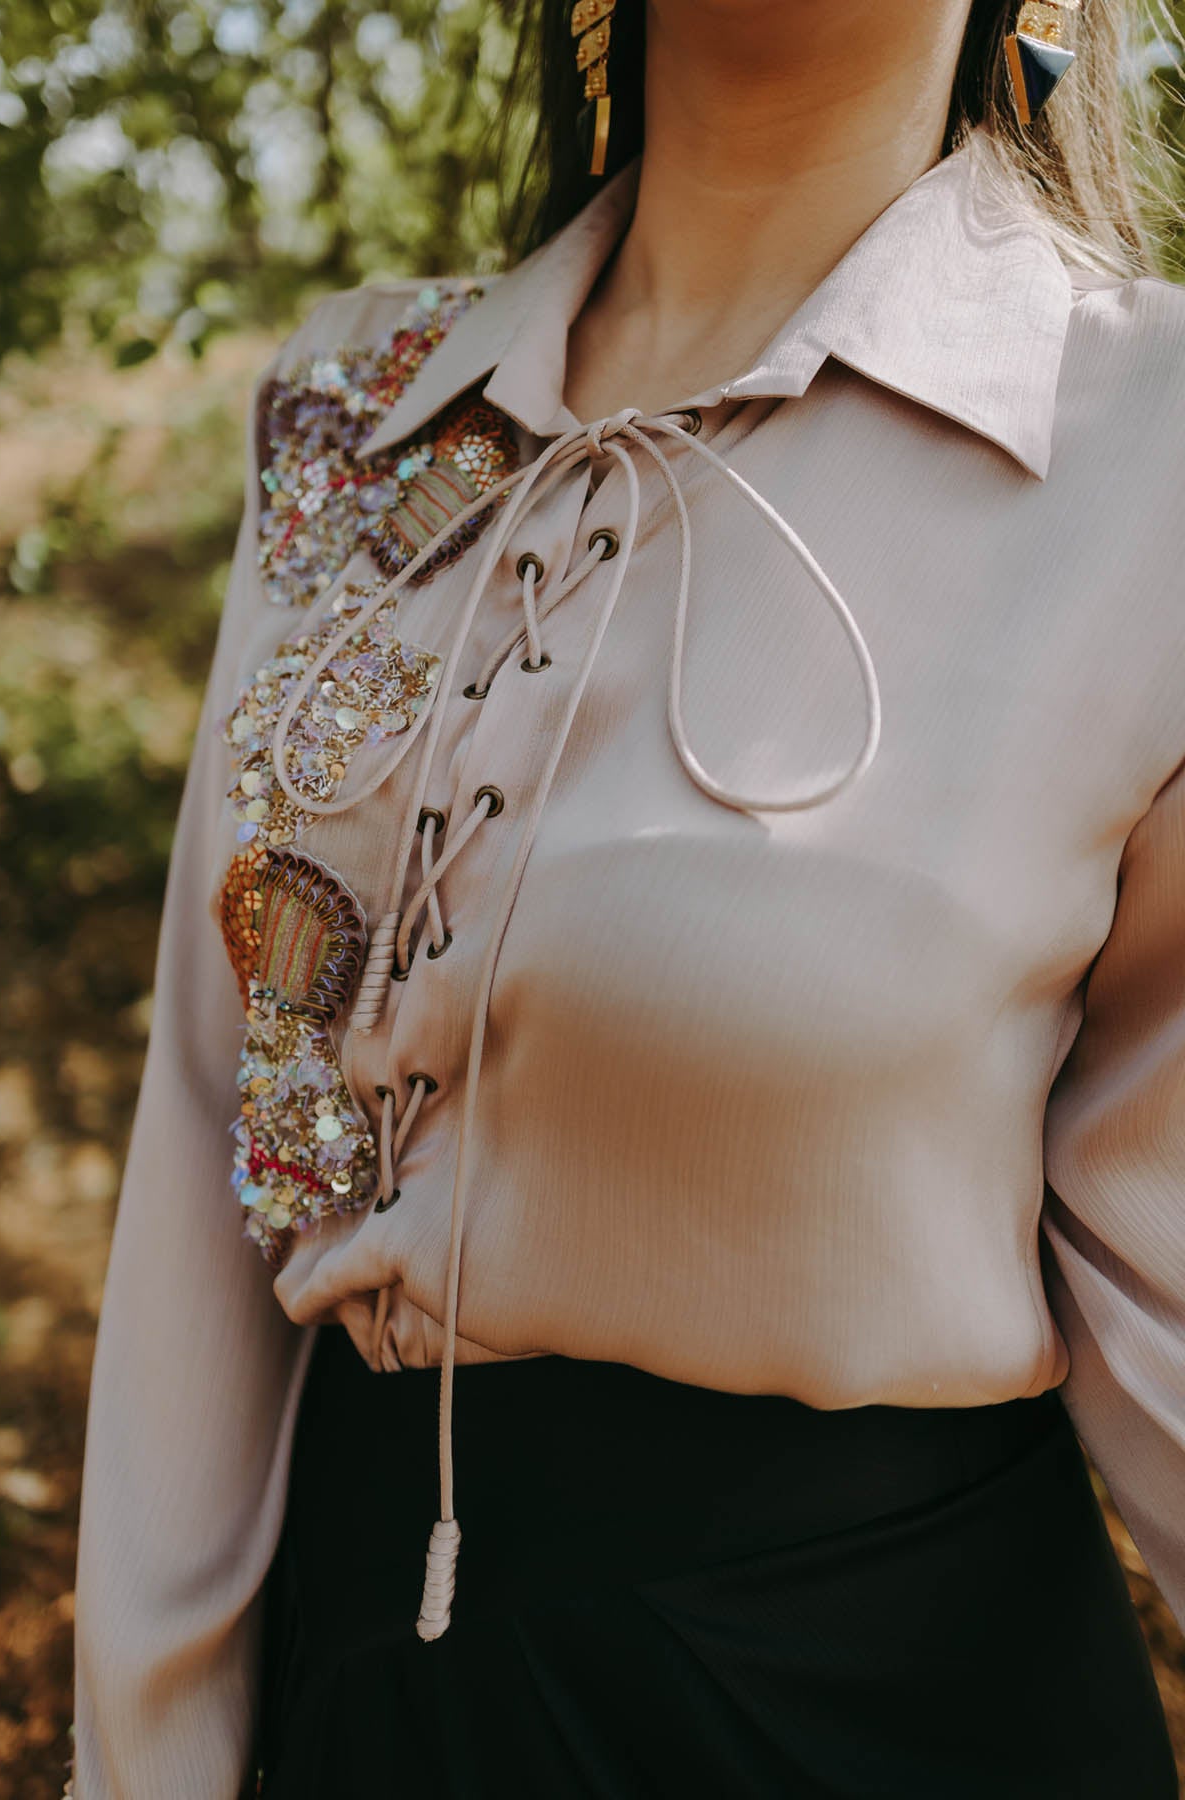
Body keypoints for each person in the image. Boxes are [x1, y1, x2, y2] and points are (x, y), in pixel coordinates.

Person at [67, 0, 1185, 1794]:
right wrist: (151, 1758)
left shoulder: (1153, 453)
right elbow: (217, 1142)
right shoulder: (353, 420)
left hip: (876, 1721)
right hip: (361, 1715)